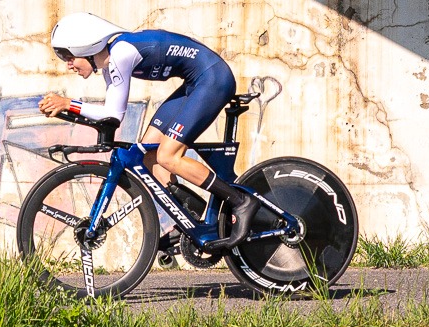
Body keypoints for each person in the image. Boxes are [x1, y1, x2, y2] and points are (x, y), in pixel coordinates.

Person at [37, 13, 264, 251]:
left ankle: (241, 201)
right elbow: (110, 116)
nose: (68, 64)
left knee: (168, 156)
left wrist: (68, 104)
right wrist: (67, 109)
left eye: (69, 57)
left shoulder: (121, 53)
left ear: (86, 48)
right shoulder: (111, 63)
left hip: (213, 79)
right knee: (147, 156)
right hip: (195, 83)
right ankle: (189, 217)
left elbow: (113, 114)